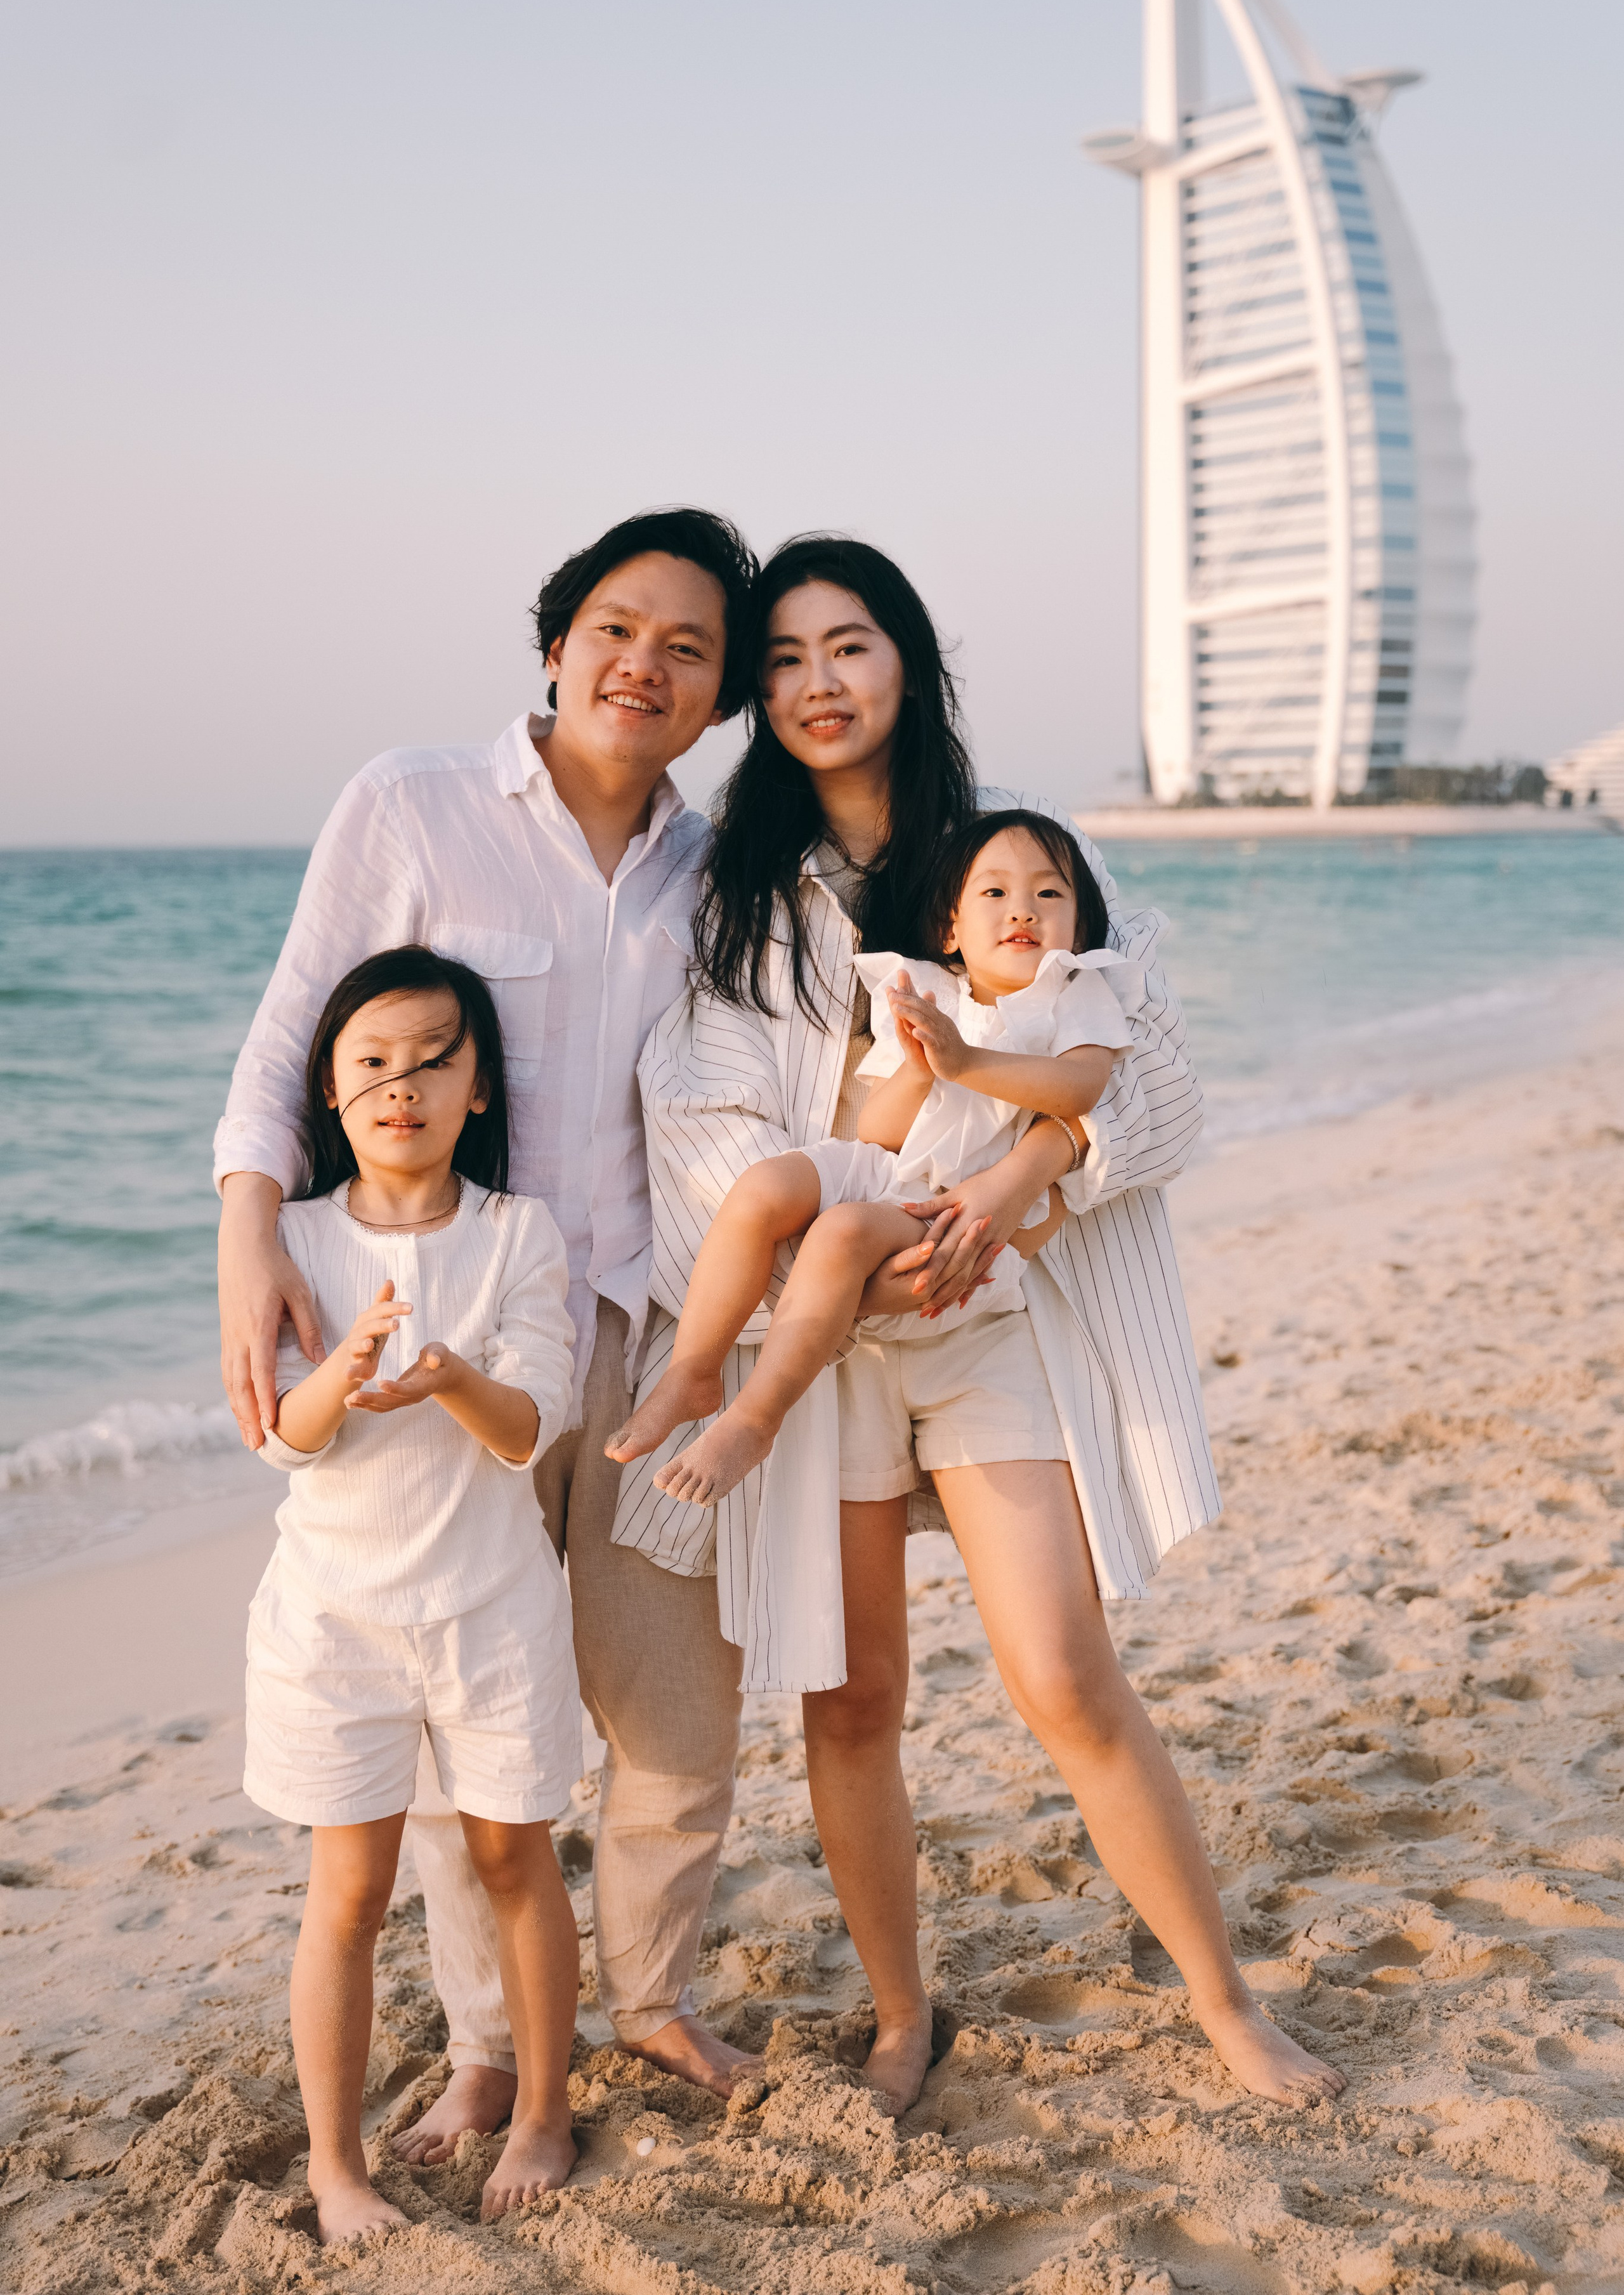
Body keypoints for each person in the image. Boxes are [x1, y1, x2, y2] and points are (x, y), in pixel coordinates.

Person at [612, 533, 1344, 2110]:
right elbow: (700, 1114)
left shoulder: (1015, 852)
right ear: (759, 692)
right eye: (787, 658)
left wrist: (1017, 1193)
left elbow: (1148, 1078)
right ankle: (896, 2017)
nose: (818, 682)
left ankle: (1222, 2002)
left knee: (1065, 1676)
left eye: (850, 646)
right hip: (822, 1341)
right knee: (850, 1693)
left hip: (997, 1305)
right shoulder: (725, 895)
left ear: (909, 666)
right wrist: (844, 1246)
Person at [216, 509, 776, 2165]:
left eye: (688, 647)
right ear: (554, 640)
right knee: (474, 1709)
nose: (645, 665)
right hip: (443, 1339)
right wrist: (253, 1227)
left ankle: (653, 1992)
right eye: (619, 625)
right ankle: (478, 2049)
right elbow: (290, 1027)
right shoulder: (414, 802)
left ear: (717, 691)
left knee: (676, 1698)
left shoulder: (719, 863)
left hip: (650, 1328)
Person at [244, 947, 578, 2240]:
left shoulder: (517, 1234)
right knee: (349, 1891)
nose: (403, 1085)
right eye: (372, 1063)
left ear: (478, 1084)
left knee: (511, 1851)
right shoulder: (298, 1238)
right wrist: (351, 1361)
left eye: (435, 1057)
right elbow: (284, 1433)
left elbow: (528, 1423)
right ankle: (336, 2166)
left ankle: (541, 2104)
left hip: (492, 1604)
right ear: (330, 1091)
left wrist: (443, 1373)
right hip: (333, 1620)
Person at [608, 810, 1140, 1505]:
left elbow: (1081, 1087)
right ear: (951, 927)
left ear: (1078, 928)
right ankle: (694, 1367)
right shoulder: (927, 990)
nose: (1022, 912)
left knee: (844, 1232)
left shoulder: (1074, 991)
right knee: (764, 1187)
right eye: (994, 894)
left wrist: (967, 1060)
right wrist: (921, 1068)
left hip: (953, 1210)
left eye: (1049, 895)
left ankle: (756, 1416)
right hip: (892, 1171)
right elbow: (881, 1132)